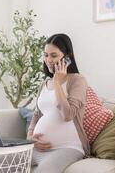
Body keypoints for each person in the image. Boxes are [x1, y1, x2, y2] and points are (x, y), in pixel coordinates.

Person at [27, 33, 90, 173]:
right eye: (45, 55)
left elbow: (68, 115)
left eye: (54, 55)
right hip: (36, 148)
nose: (48, 60)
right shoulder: (44, 83)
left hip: (68, 148)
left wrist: (57, 82)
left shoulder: (77, 80)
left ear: (68, 56)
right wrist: (30, 137)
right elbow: (36, 115)